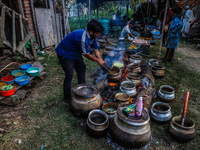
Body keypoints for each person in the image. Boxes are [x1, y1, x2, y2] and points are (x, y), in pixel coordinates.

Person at [56, 19, 105, 104]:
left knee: (82, 68)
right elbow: (86, 54)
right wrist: (97, 60)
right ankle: (66, 98)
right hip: (65, 54)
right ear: (91, 32)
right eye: (97, 33)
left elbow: (96, 49)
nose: (99, 34)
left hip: (75, 53)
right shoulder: (83, 38)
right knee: (69, 75)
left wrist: (101, 60)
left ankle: (82, 90)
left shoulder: (93, 37)